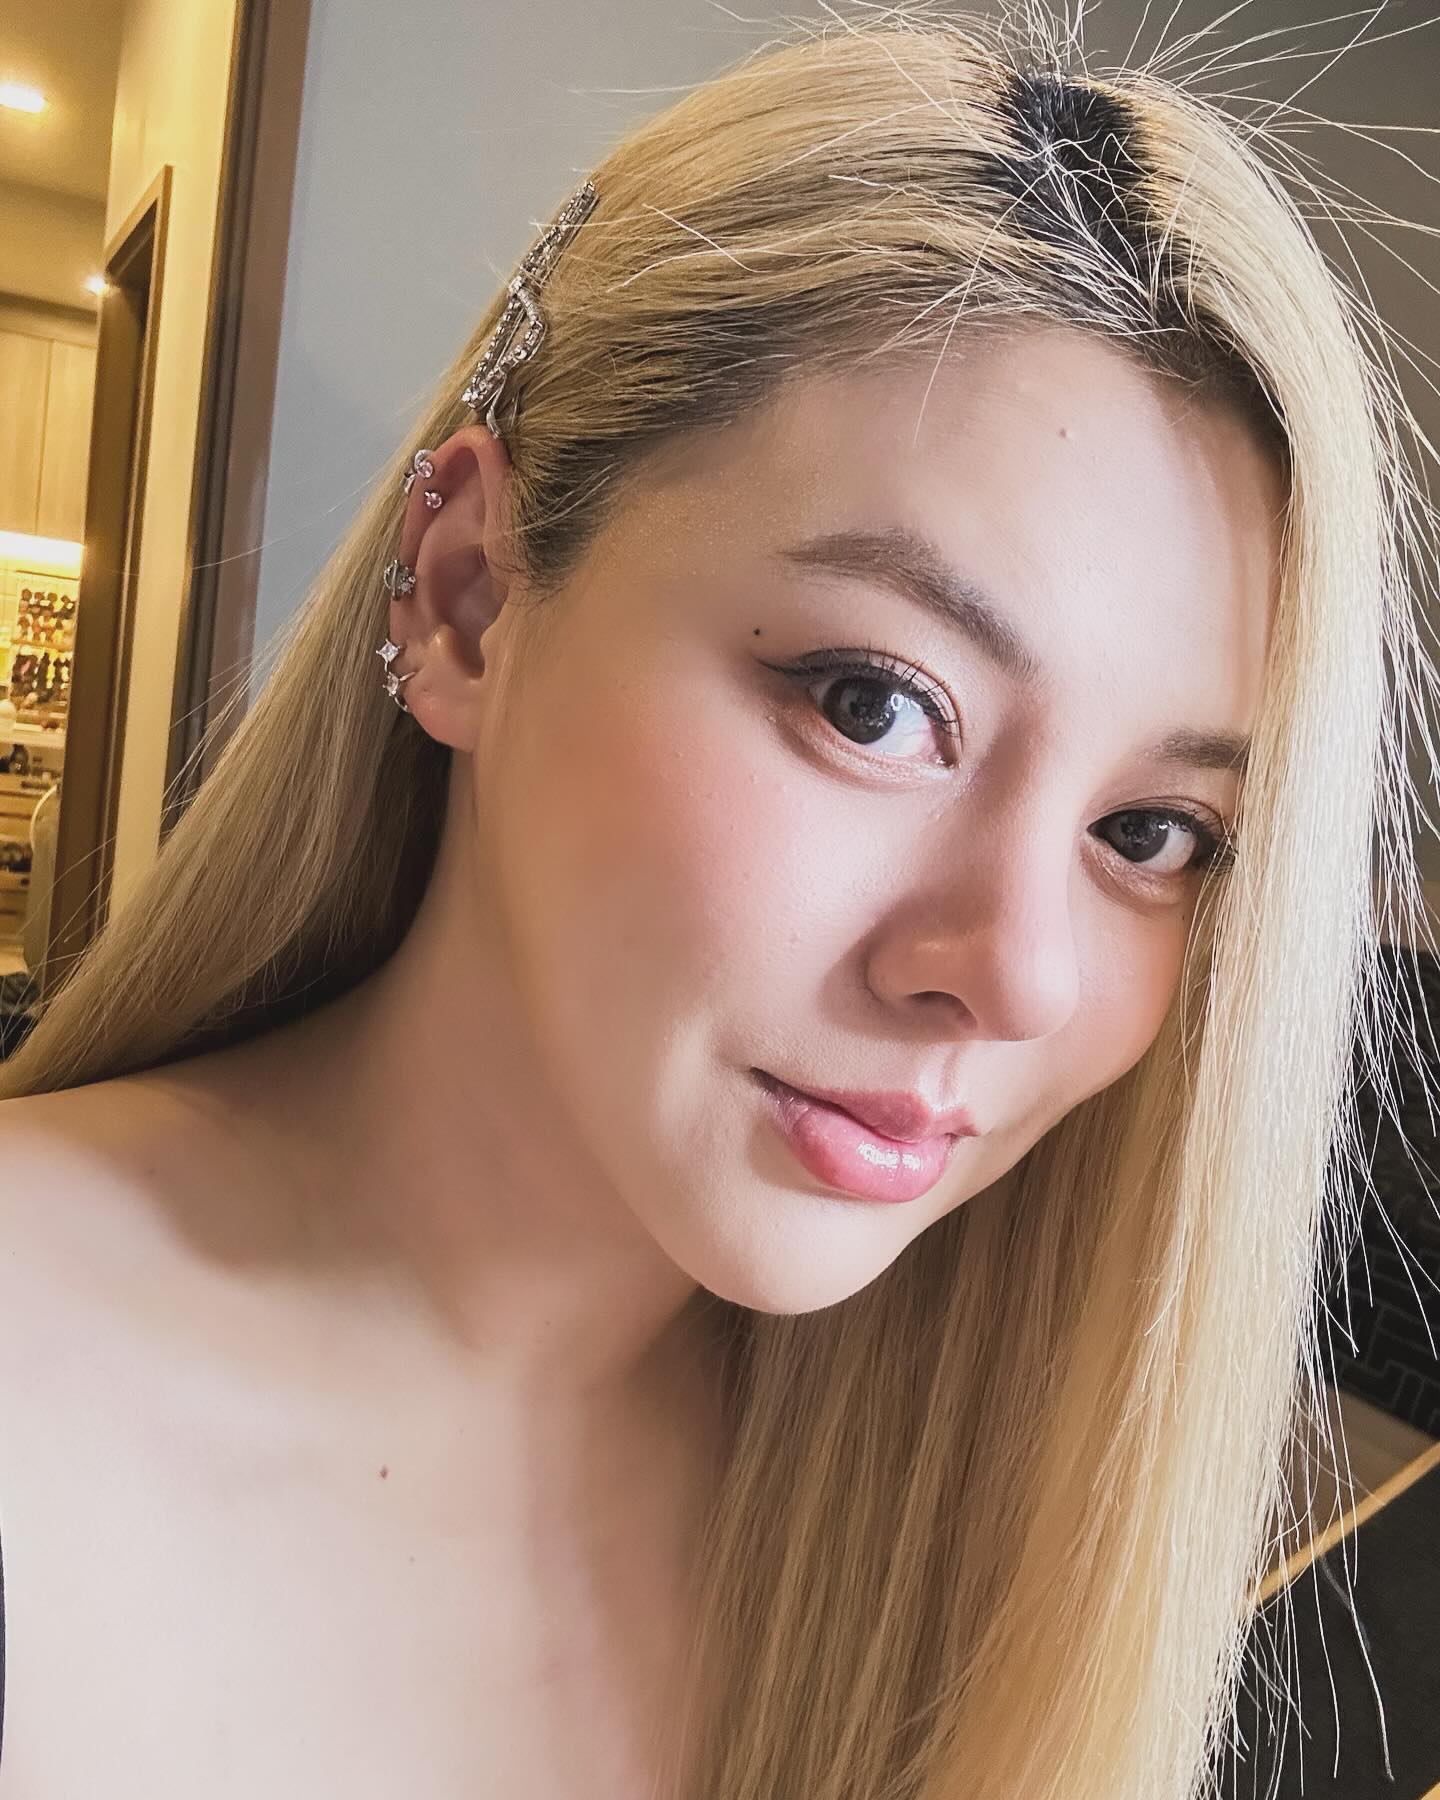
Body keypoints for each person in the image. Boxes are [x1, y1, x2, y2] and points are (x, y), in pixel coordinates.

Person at [0, 9, 1434, 1797]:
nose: (1016, 975)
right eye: (875, 704)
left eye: (1153, 832)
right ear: (468, 597)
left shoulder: (980, 1522)